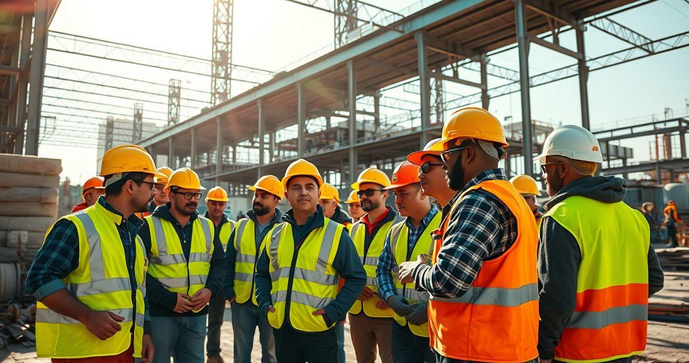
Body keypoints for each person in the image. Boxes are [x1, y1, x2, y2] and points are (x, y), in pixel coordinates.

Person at [398, 107, 539, 363]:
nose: (446, 166)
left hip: (477, 349)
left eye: (447, 157)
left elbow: (449, 281)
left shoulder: (478, 200)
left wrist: (416, 270)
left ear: (469, 152)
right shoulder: (512, 199)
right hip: (513, 346)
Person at [535, 124, 665, 362]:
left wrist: (543, 350)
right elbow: (654, 279)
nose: (543, 176)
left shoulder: (561, 217)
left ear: (562, 168)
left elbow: (557, 299)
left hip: (577, 352)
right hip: (622, 347)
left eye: (546, 167)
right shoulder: (634, 217)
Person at [27, 144, 158, 362]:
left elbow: (137, 293)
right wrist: (86, 316)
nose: (154, 191)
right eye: (150, 185)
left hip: (124, 349)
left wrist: (144, 333)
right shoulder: (76, 226)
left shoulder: (133, 234)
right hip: (83, 353)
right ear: (131, 186)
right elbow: (38, 279)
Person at [254, 159, 366, 363]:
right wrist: (264, 303)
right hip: (283, 329)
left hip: (319, 329)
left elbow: (356, 277)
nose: (303, 192)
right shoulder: (276, 234)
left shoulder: (336, 234)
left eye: (309, 187)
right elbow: (261, 273)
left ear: (318, 193)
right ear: (287, 195)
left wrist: (334, 312)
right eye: (296, 188)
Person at [138, 167, 226, 363]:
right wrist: (168, 299)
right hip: (161, 316)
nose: (193, 199)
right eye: (187, 194)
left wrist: (210, 291)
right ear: (171, 194)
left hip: (197, 315)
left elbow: (219, 263)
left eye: (196, 194)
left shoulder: (207, 226)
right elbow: (137, 273)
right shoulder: (148, 226)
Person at [376, 161, 441, 363]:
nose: (397, 201)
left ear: (423, 191)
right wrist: (390, 298)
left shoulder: (444, 227)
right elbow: (383, 270)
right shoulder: (395, 232)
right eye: (395, 195)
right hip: (402, 327)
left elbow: (455, 279)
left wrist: (429, 309)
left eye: (403, 194)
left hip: (435, 329)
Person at [224, 175, 283, 363]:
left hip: (271, 304)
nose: (257, 199)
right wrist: (229, 292)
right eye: (256, 194)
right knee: (241, 355)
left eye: (264, 196)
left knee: (271, 355)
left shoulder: (284, 230)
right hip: (241, 301)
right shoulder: (241, 226)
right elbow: (228, 261)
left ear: (276, 200)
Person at [348, 167, 401, 363]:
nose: (363, 197)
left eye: (370, 192)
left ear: (385, 194)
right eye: (361, 193)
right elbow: (346, 268)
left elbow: (403, 266)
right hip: (357, 309)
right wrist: (353, 288)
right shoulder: (354, 230)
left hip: (386, 309)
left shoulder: (398, 227)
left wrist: (391, 296)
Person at [319, 182, 352, 363]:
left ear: (335, 204)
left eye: (326, 201)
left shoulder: (345, 228)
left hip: (337, 299)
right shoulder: (315, 224)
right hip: (315, 297)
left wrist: (341, 306)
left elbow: (348, 272)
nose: (321, 205)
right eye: (320, 201)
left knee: (337, 344)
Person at [205, 186, 237, 363]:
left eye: (220, 204)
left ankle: (213, 353)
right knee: (203, 321)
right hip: (202, 281)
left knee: (219, 320)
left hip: (224, 282)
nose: (217, 207)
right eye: (214, 203)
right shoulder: (199, 225)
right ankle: (210, 353)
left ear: (225, 205)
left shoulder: (233, 228)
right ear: (207, 203)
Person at [407, 138, 457, 211]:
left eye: (426, 167)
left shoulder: (469, 207)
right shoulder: (450, 212)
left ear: (448, 165)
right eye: (420, 169)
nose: (419, 175)